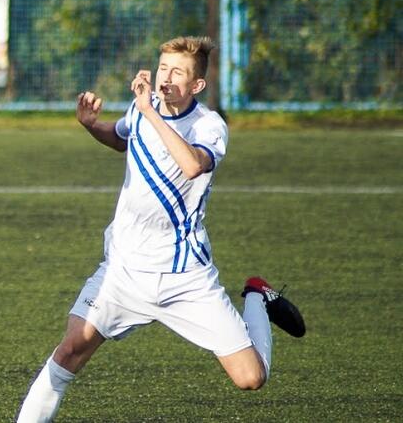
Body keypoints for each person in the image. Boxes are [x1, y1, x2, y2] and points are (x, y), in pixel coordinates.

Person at [16, 36, 305, 422]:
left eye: (178, 73)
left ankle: (256, 296)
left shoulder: (208, 125)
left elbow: (191, 165)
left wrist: (149, 113)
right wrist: (91, 126)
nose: (166, 78)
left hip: (184, 277)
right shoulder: (142, 110)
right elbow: (121, 138)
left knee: (251, 378)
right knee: (70, 350)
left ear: (196, 85)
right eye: (163, 67)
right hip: (123, 271)